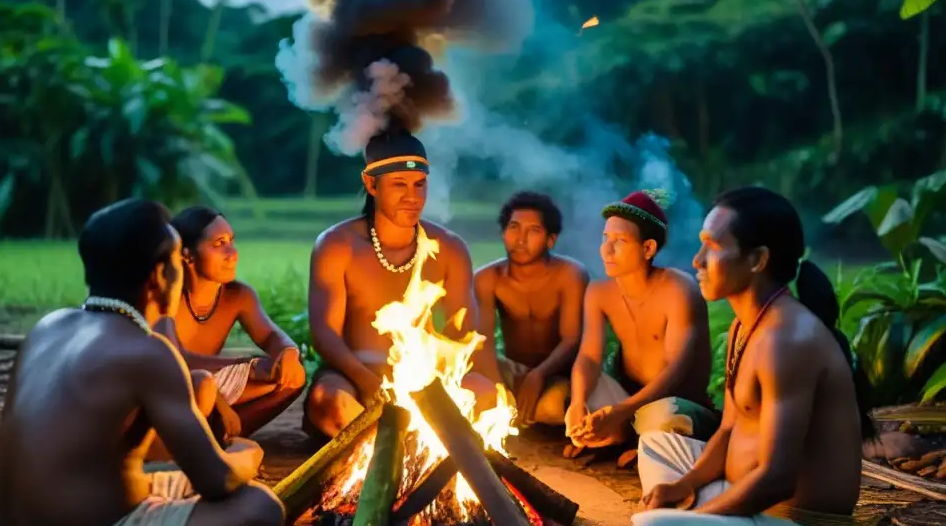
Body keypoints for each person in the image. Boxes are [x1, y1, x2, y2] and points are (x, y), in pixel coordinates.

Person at [0, 199, 284, 526]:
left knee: (172, 482)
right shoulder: (148, 352)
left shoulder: (50, 325)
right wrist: (248, 453)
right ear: (160, 274)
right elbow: (219, 481)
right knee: (259, 509)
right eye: (178, 260)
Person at [622, 186, 877, 526]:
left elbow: (777, 478)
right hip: (742, 497)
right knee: (657, 444)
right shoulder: (746, 325)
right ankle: (695, 522)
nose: (696, 261)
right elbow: (726, 429)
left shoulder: (786, 340)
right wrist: (682, 487)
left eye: (712, 247)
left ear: (758, 260)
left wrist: (696, 518)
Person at [304, 128, 493, 438]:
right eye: (399, 185)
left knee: (486, 397)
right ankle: (389, 447)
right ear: (371, 183)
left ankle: (411, 445)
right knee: (331, 403)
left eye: (420, 185)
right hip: (353, 380)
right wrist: (366, 381)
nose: (412, 197)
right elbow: (325, 334)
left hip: (427, 382)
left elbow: (464, 334)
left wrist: (437, 383)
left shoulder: (449, 248)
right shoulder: (338, 245)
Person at [564, 190, 717, 459]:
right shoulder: (599, 293)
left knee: (663, 416)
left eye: (620, 240)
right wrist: (579, 404)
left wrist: (620, 412)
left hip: (675, 403)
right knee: (576, 395)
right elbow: (588, 357)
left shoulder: (679, 290)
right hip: (628, 398)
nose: (607, 249)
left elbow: (675, 373)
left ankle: (630, 436)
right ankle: (623, 434)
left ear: (648, 248)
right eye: (605, 238)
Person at [152, 206, 306, 440]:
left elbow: (271, 336)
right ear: (187, 255)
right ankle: (192, 443)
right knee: (203, 385)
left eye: (232, 241)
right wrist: (245, 367)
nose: (232, 253)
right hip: (167, 388)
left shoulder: (238, 296)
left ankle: (223, 437)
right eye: (219, 244)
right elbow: (175, 360)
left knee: (292, 376)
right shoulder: (166, 298)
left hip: (211, 382)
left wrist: (288, 351)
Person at [473, 191, 588, 427]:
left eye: (533, 230)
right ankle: (512, 408)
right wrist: (498, 393)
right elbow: (482, 341)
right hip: (514, 371)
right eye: (514, 227)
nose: (520, 239)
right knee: (468, 383)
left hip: (558, 375)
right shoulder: (487, 278)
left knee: (555, 407)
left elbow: (571, 339)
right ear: (502, 233)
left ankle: (533, 412)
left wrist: (539, 375)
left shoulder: (570, 275)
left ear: (550, 240)